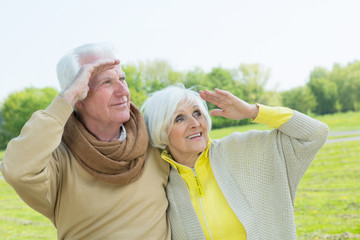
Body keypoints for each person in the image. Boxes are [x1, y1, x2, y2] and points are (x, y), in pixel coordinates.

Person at [0, 43, 171, 240]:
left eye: (122, 79)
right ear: (78, 96)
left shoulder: (154, 137)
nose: (122, 91)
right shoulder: (58, 160)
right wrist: (67, 97)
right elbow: (16, 169)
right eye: (107, 82)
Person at [141, 85, 329, 239]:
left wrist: (252, 111)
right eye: (179, 118)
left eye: (197, 113)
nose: (195, 123)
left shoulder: (243, 148)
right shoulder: (161, 182)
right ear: (161, 131)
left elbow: (315, 134)